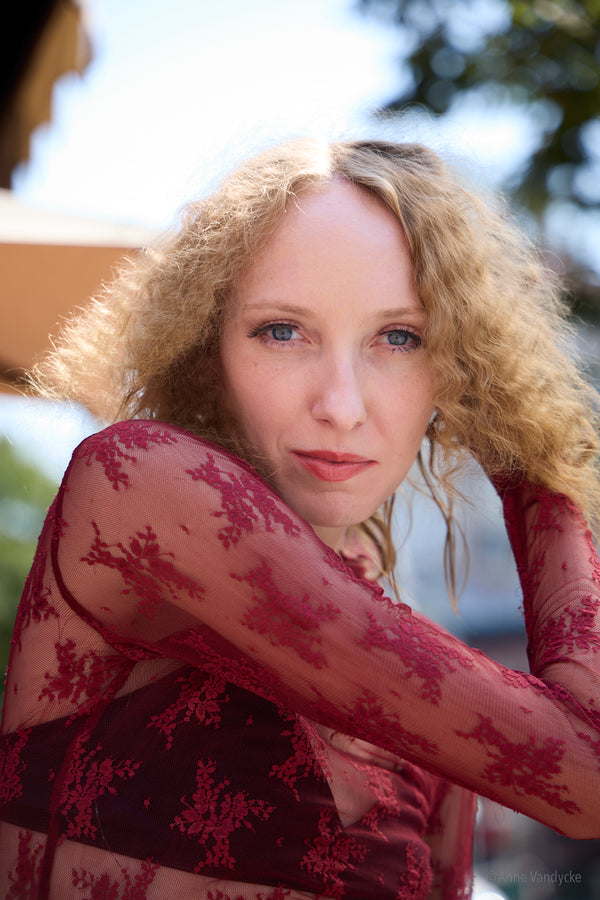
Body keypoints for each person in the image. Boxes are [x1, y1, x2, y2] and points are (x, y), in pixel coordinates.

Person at [1, 138, 600, 900]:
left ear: (459, 372)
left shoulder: (438, 711)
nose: (341, 407)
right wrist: (536, 460)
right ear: (207, 348)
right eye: (283, 330)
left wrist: (523, 434)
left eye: (400, 338)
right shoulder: (137, 484)